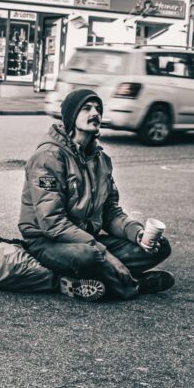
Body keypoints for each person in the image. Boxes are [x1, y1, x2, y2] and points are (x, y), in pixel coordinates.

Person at [19, 88, 174, 301]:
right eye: (87, 108)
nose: (95, 114)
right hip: (47, 242)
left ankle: (91, 276)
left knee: (159, 247)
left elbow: (110, 212)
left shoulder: (101, 160)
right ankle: (133, 285)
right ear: (72, 116)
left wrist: (137, 234)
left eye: (98, 109)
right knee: (89, 256)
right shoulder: (48, 156)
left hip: (87, 239)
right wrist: (103, 252)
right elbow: (52, 223)